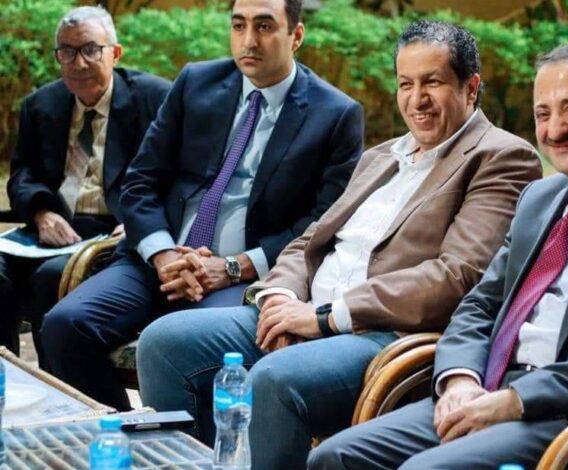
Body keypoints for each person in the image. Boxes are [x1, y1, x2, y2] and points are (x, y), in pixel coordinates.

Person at [136, 19, 542, 470]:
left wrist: (325, 317)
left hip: (379, 333)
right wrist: (279, 297)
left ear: (471, 87)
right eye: (405, 84)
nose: (417, 99)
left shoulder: (500, 157)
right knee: (164, 343)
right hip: (303, 309)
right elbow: (311, 239)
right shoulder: (382, 156)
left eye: (433, 82)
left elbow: (455, 276)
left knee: (274, 379)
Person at [308, 43, 568, 470]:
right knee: (335, 457)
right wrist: (460, 378)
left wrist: (516, 400)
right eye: (543, 114)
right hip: (486, 391)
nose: (556, 129)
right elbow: (481, 304)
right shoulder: (540, 198)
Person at [40, 0, 364, 411]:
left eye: (265, 26)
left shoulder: (335, 114)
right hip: (159, 262)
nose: (249, 40)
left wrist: (233, 268)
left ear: (295, 36)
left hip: (244, 278)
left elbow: (322, 223)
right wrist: (164, 255)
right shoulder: (197, 82)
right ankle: (126, 432)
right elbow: (140, 181)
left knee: (184, 344)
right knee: (65, 325)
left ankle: (195, 442)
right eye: (239, 25)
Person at [0, 6, 170, 361]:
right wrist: (41, 213)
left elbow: (176, 175)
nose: (78, 64)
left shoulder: (155, 100)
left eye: (91, 50)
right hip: (53, 229)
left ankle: (53, 383)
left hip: (114, 232)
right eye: (67, 52)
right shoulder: (41, 104)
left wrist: (141, 222)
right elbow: (22, 174)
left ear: (115, 53)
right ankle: (8, 377)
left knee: (50, 278)